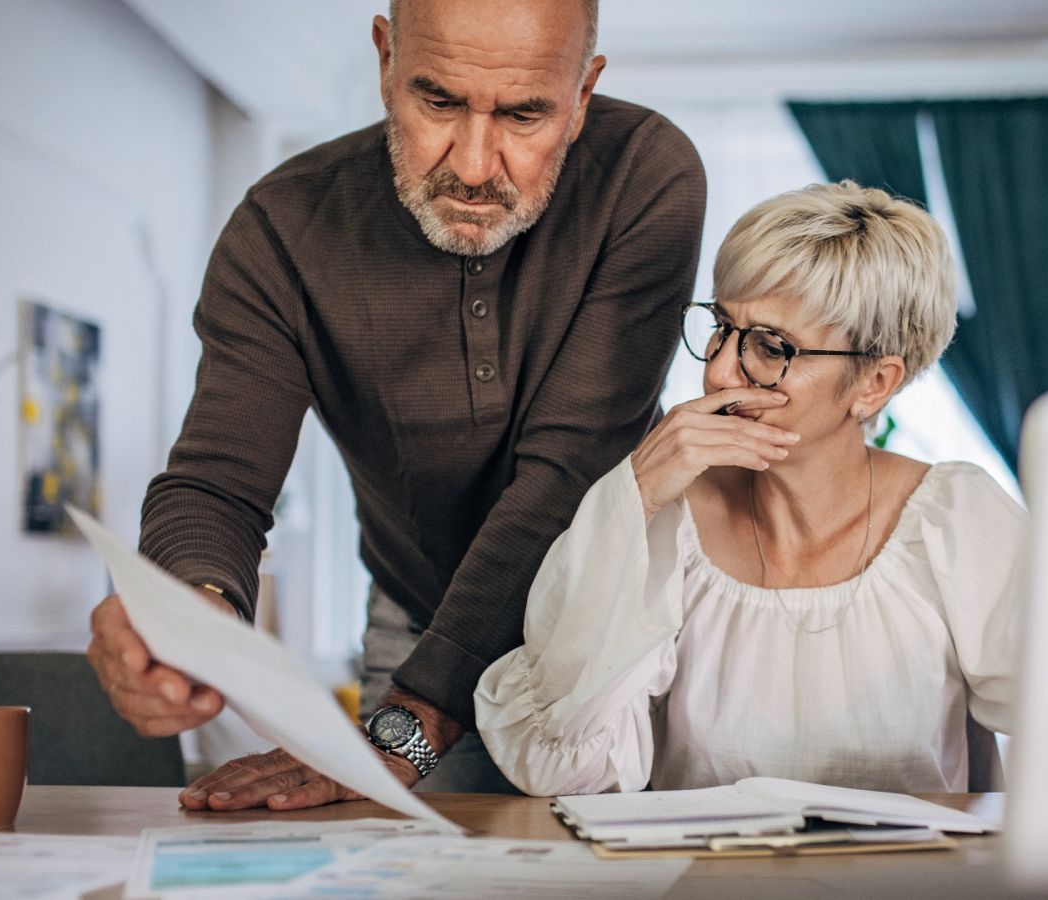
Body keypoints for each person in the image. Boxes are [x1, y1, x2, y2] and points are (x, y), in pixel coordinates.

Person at [84, 0, 706, 808]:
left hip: (613, 632)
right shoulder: (282, 228)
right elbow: (218, 481)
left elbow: (569, 475)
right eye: (438, 101)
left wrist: (415, 721)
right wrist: (190, 614)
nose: (474, 167)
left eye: (523, 115)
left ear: (583, 94)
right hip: (418, 624)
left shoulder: (644, 175)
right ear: (385, 60)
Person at [474, 181, 1025, 796]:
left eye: (770, 347)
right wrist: (633, 497)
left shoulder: (956, 520)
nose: (716, 372)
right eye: (721, 327)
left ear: (874, 383)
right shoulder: (668, 523)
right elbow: (558, 767)